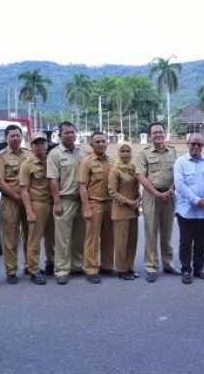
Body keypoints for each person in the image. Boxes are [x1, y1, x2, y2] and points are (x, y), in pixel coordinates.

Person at [135, 122, 180, 283]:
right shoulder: (144, 154)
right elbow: (140, 176)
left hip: (169, 195)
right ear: (150, 136)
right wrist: (156, 193)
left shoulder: (173, 152)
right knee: (151, 232)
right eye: (155, 133)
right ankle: (151, 266)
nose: (158, 135)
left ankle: (168, 263)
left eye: (161, 132)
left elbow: (178, 173)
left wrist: (171, 190)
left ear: (165, 133)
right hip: (151, 196)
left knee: (167, 232)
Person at [47, 121, 87, 285]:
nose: (70, 135)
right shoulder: (55, 154)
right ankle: (62, 269)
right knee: (62, 238)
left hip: (81, 199)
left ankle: (77, 265)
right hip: (65, 200)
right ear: (60, 135)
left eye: (72, 132)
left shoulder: (81, 152)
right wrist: (56, 202)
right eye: (66, 133)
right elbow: (53, 181)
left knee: (80, 236)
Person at [174, 133, 204, 284]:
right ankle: (186, 270)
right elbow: (180, 185)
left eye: (199, 144)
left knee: (201, 242)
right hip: (186, 212)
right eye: (193, 144)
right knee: (186, 243)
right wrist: (196, 200)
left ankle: (199, 269)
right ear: (187, 144)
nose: (196, 147)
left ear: (203, 146)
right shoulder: (180, 162)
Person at [0, 124, 31, 284]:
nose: (15, 138)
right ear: (6, 138)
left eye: (18, 135)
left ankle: (30, 265)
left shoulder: (29, 154)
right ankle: (11, 271)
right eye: (12, 136)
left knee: (30, 235)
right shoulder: (0, 156)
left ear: (22, 137)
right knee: (10, 238)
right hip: (10, 200)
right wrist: (16, 196)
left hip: (28, 200)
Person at [78, 132, 115, 284]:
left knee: (108, 237)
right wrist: (86, 207)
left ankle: (107, 265)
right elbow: (82, 186)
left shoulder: (111, 161)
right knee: (92, 239)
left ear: (107, 143)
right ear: (91, 144)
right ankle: (91, 268)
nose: (101, 144)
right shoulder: (86, 162)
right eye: (97, 141)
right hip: (94, 204)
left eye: (103, 141)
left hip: (109, 204)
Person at [19, 132, 55, 285]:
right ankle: (33, 269)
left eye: (42, 143)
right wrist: (29, 211)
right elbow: (23, 190)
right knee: (34, 238)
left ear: (47, 145)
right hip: (37, 204)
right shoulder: (27, 165)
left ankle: (50, 264)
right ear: (31, 146)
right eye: (36, 143)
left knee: (52, 237)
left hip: (53, 203)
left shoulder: (52, 160)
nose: (40, 146)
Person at [108, 142, 141, 281]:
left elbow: (137, 188)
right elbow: (112, 192)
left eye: (128, 151)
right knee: (121, 242)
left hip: (133, 211)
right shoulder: (115, 170)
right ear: (118, 153)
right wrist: (129, 202)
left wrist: (138, 199)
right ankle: (121, 269)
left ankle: (130, 267)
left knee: (132, 241)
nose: (125, 154)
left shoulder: (133, 168)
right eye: (123, 151)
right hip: (121, 211)